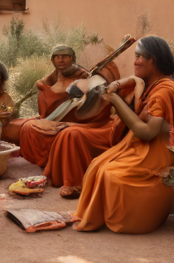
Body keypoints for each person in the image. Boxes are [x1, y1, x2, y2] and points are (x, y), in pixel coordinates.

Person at [74, 36, 174, 234]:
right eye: (135, 56)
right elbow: (135, 81)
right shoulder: (157, 82)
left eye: (139, 57)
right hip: (146, 147)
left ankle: (118, 219)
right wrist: (121, 83)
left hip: (158, 151)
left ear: (153, 59)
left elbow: (147, 133)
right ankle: (98, 214)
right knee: (97, 164)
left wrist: (115, 100)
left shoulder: (163, 91)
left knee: (110, 174)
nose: (135, 62)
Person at [19, 45, 121, 198]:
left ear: (73, 58)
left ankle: (72, 181)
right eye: (57, 56)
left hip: (87, 123)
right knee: (27, 127)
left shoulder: (85, 75)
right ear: (52, 60)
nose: (61, 59)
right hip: (57, 118)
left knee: (68, 134)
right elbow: (46, 101)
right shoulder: (52, 77)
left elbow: (96, 103)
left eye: (64, 56)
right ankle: (48, 164)